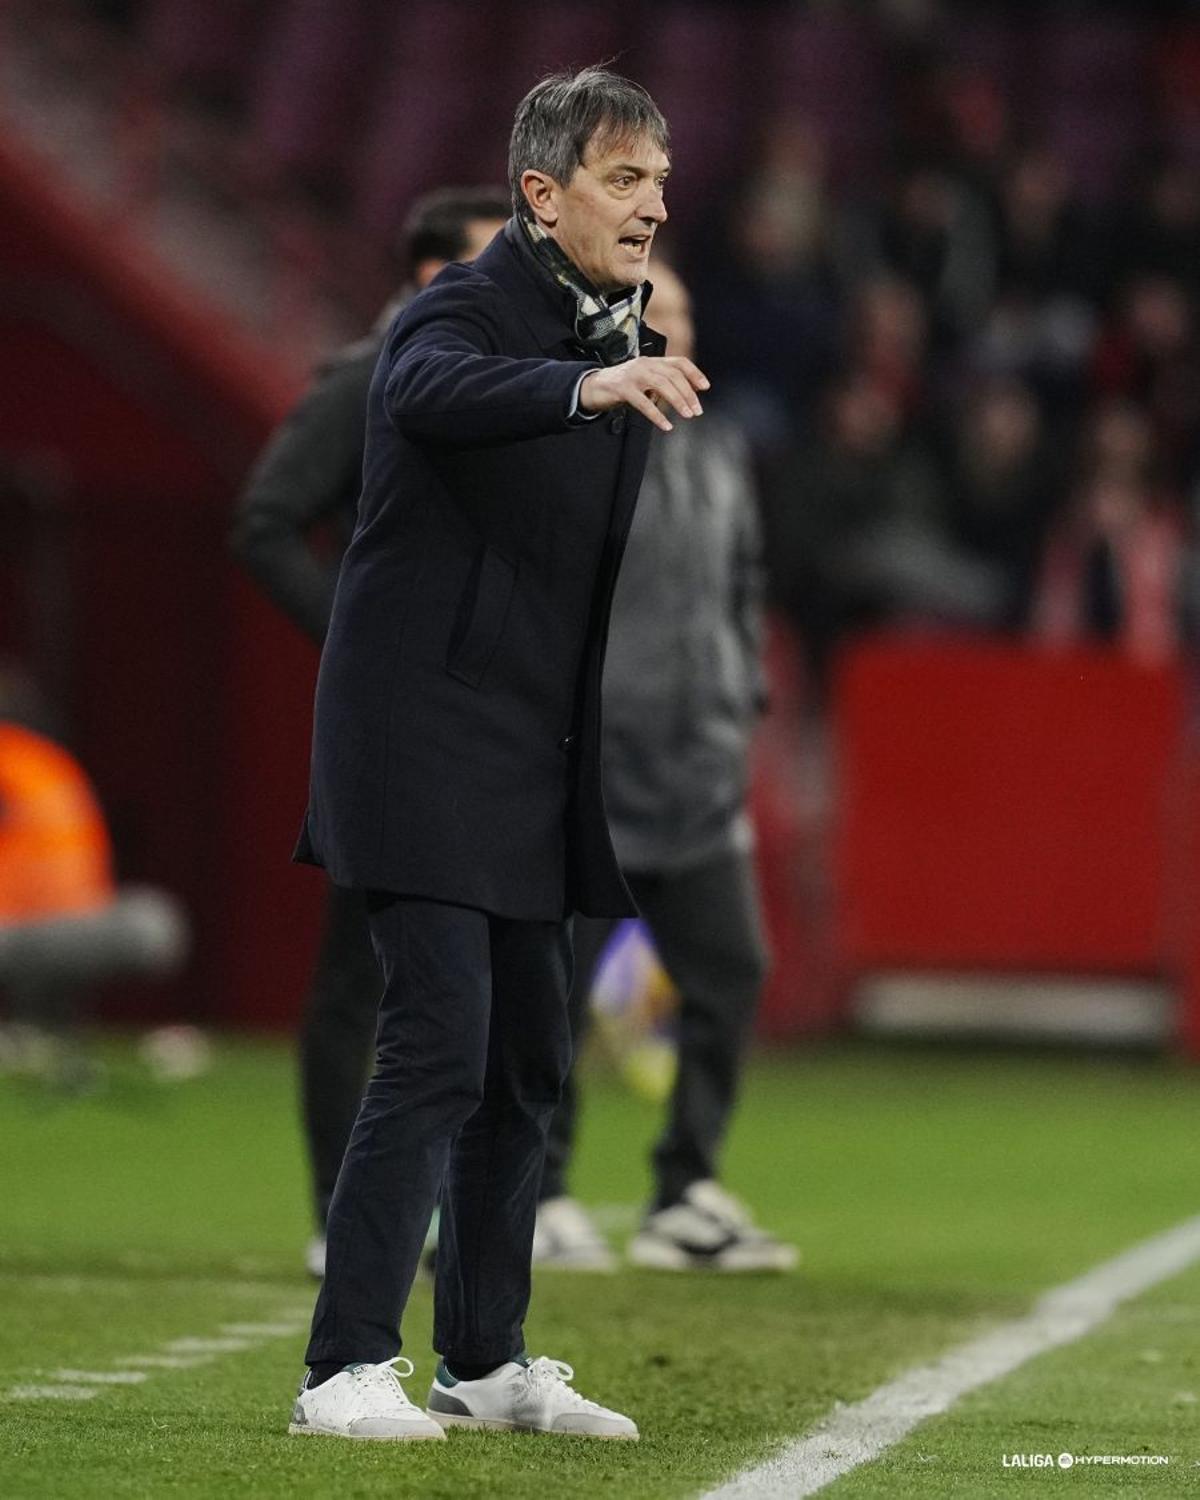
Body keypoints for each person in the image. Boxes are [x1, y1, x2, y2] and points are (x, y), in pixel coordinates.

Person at [287, 66, 708, 1444]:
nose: (655, 202)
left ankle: (484, 1361)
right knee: (439, 1046)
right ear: (542, 194)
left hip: (529, 750)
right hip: (418, 737)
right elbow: (425, 388)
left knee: (531, 1059)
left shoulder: (619, 321)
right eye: (625, 177)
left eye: (659, 176)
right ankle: (343, 1367)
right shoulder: (465, 306)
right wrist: (585, 389)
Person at [230, 186, 509, 1280]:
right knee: (362, 971)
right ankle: (333, 1212)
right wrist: (360, 635)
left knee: (440, 974)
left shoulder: (480, 379)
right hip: (393, 721)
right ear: (436, 275)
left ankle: (420, 1205)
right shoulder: (372, 372)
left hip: (472, 716)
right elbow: (262, 520)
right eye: (493, 263)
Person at [531, 262, 797, 1273]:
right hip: (597, 764)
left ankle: (683, 1191)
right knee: (560, 983)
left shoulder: (722, 451)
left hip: (700, 767)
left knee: (732, 968)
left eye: (681, 315)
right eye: (652, 313)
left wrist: (744, 698)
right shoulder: (581, 440)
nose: (668, 330)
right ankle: (541, 1190)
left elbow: (744, 583)